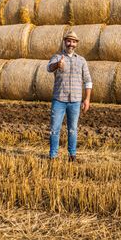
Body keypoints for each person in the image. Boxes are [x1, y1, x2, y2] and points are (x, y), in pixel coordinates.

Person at [46, 30, 92, 162]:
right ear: (64, 42)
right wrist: (57, 65)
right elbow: (48, 68)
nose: (70, 44)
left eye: (73, 41)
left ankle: (72, 155)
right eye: (68, 41)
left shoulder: (82, 61)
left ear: (76, 43)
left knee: (72, 129)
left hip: (75, 101)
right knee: (55, 129)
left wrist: (87, 99)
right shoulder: (57, 56)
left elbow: (88, 80)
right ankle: (53, 156)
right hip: (59, 100)